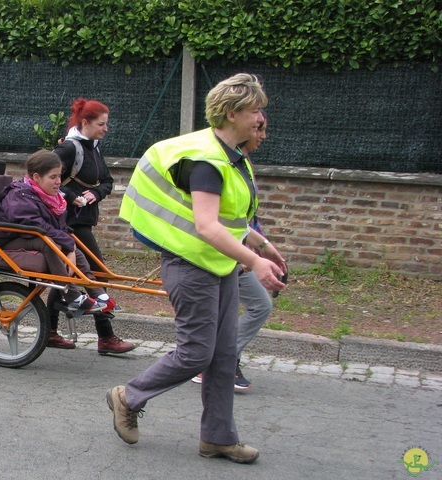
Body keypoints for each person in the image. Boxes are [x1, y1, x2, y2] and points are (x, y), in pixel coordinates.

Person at [106, 73, 286, 464]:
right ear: (233, 113)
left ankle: (218, 438)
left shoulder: (231, 156)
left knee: (222, 357)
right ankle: (128, 396)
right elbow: (206, 226)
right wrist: (254, 261)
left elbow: (232, 218)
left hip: (219, 267)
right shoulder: (207, 160)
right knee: (197, 353)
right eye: (256, 110)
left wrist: (262, 245)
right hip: (191, 268)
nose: (260, 118)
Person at [191, 111, 287, 391]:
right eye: (259, 127)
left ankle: (222, 363)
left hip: (239, 254)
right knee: (255, 307)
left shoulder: (241, 163)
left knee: (248, 309)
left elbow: (241, 221)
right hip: (223, 256)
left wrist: (263, 247)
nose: (263, 135)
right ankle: (219, 363)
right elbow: (212, 223)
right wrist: (250, 257)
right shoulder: (215, 163)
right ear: (236, 120)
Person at [46, 98, 134, 354]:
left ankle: (51, 331)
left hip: (84, 219)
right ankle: (106, 338)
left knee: (68, 274)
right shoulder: (69, 149)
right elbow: (42, 175)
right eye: (101, 124)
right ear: (85, 123)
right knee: (97, 271)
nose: (106, 129)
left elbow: (106, 180)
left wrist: (97, 194)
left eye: (106, 124)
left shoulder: (94, 147)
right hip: (69, 221)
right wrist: (72, 195)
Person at [0, 149, 119, 317]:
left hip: (30, 235)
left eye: (59, 176)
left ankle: (97, 293)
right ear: (36, 177)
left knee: (72, 244)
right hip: (9, 238)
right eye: (53, 177)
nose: (59, 182)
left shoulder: (49, 196)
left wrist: (70, 245)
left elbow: (59, 226)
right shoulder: (19, 196)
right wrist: (66, 243)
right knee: (50, 243)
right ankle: (72, 296)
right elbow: (37, 225)